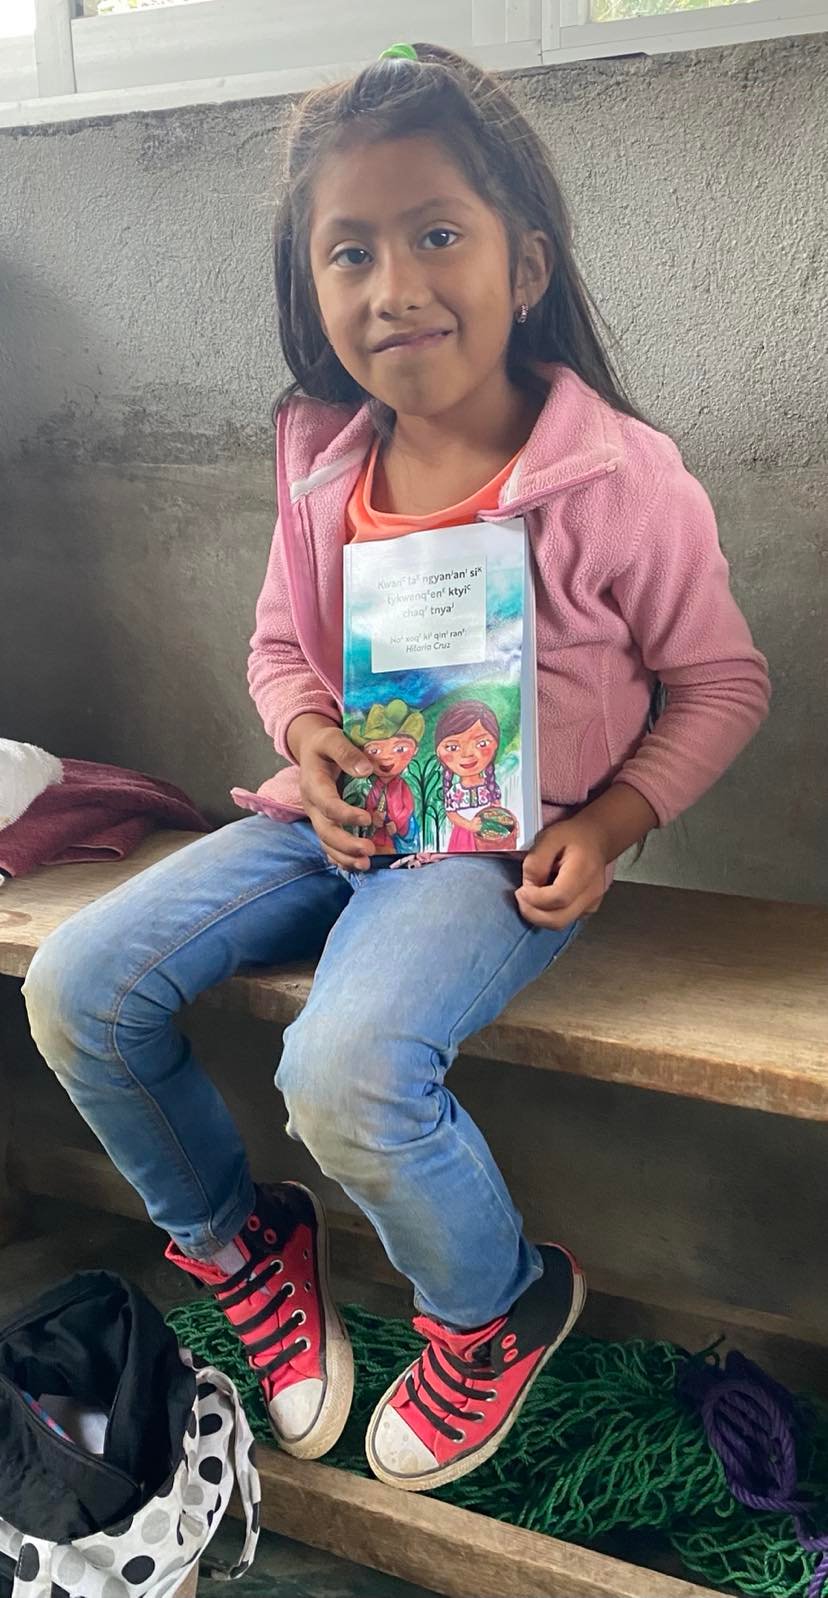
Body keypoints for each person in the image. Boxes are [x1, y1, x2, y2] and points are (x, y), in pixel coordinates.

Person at [23, 42, 770, 1495]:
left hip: (501, 854)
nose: (394, 284)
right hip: (334, 820)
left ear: (527, 261)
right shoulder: (318, 457)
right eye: (348, 250)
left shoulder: (616, 476)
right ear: (310, 287)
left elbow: (722, 679)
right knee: (78, 986)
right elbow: (277, 654)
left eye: (439, 233)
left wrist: (613, 820)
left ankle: (497, 1303)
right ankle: (244, 1243)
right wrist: (308, 739)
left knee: (348, 1067)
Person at [351, 698, 424, 855]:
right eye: (374, 751)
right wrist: (373, 816)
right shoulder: (374, 788)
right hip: (377, 838)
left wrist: (396, 823)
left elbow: (408, 807)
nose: (386, 758)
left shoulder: (402, 786)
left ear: (415, 751)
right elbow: (369, 805)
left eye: (400, 749)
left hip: (399, 835)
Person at [435, 699, 502, 851]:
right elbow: (451, 813)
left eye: (482, 744)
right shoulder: (455, 791)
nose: (467, 754)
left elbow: (497, 809)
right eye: (453, 747)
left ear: (495, 744)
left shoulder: (489, 785)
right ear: (438, 751)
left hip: (488, 835)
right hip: (464, 837)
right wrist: (468, 825)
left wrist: (508, 823)